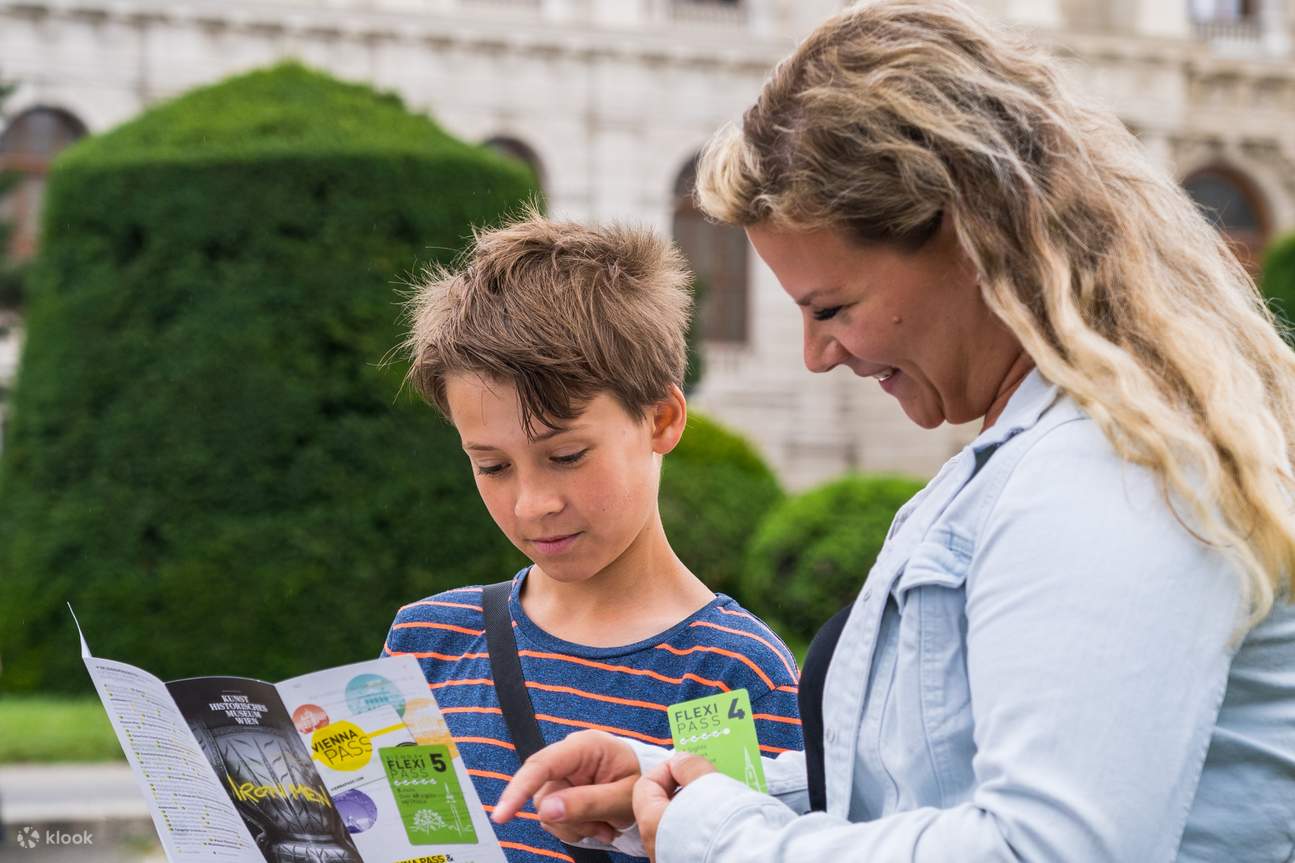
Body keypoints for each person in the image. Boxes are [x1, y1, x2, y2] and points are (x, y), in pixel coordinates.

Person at [488, 1, 1295, 860]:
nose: (815, 354)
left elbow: (1043, 847)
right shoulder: (1046, 454)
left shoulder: (1104, 472)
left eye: (832, 307)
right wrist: (676, 784)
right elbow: (921, 785)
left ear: (966, 238)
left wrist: (716, 833)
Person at [382, 211, 803, 863]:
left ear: (660, 419)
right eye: (491, 465)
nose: (532, 503)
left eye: (567, 455)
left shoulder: (728, 674)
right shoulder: (427, 643)